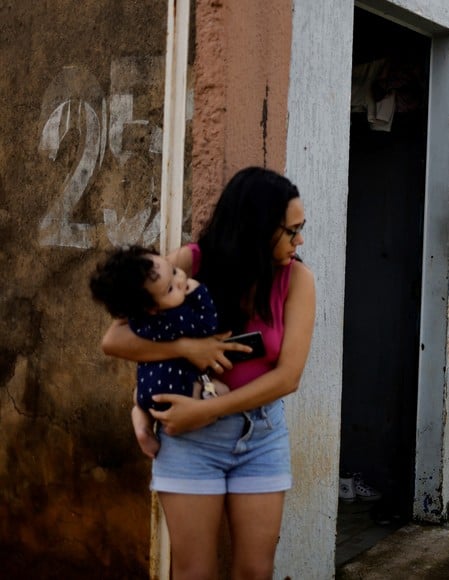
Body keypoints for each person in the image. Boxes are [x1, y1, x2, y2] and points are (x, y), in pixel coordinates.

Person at [100, 167, 316, 579]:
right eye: (290, 231)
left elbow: (288, 376)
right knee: (194, 572)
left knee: (255, 571)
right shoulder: (191, 262)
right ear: (256, 228)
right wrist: (188, 348)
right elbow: (114, 338)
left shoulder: (298, 281)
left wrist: (208, 411)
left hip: (261, 436)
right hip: (189, 442)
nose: (299, 240)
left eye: (300, 228)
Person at [90, 245, 231, 458]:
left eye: (175, 271)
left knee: (142, 396)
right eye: (170, 289)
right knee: (221, 393)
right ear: (153, 308)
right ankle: (178, 425)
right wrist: (197, 290)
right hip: (173, 388)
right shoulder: (175, 318)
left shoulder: (140, 320)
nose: (180, 281)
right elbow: (207, 323)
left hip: (149, 387)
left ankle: (141, 418)